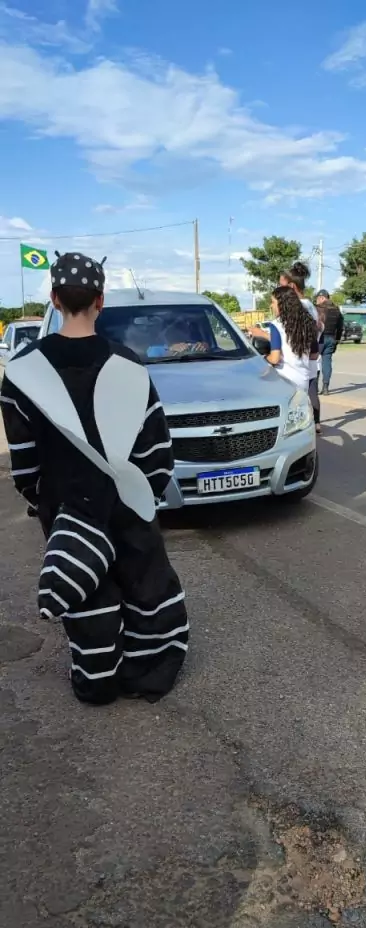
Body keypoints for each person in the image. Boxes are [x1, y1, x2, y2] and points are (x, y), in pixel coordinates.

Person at [0, 252, 188, 706]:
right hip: (125, 496)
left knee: (87, 592)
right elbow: (157, 450)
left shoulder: (22, 372)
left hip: (65, 503)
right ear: (100, 300)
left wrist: (44, 500)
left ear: (54, 298)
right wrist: (149, 492)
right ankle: (148, 674)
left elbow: (23, 461)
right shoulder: (128, 365)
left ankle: (97, 680)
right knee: (144, 582)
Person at [252, 286, 318, 396]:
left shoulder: (277, 325)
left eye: (273, 302)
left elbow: (275, 359)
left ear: (282, 304)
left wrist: (263, 358)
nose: (271, 306)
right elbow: (314, 355)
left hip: (284, 380)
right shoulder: (308, 323)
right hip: (303, 381)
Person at [279, 262, 322, 433]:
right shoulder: (309, 305)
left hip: (298, 363)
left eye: (281, 286)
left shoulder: (300, 307)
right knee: (307, 398)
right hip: (307, 361)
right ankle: (314, 425)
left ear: (291, 286)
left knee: (297, 406)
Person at [314, 289, 344, 395]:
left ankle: (315, 387)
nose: (316, 301)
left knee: (315, 361)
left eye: (317, 298)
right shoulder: (336, 310)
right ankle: (326, 387)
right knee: (327, 362)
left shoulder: (317, 309)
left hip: (319, 338)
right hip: (331, 338)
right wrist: (337, 341)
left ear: (322, 298)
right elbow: (340, 327)